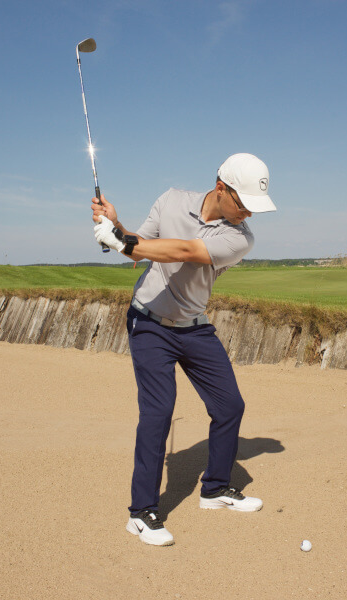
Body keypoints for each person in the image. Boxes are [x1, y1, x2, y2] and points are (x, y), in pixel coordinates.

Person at [91, 153, 276, 546]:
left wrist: (123, 241)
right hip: (149, 324)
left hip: (194, 327)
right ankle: (141, 513)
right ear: (221, 188)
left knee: (229, 405)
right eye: (244, 203)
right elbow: (139, 248)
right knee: (158, 412)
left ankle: (215, 489)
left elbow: (185, 252)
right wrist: (115, 226)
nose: (248, 213)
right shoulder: (171, 199)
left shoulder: (240, 238)